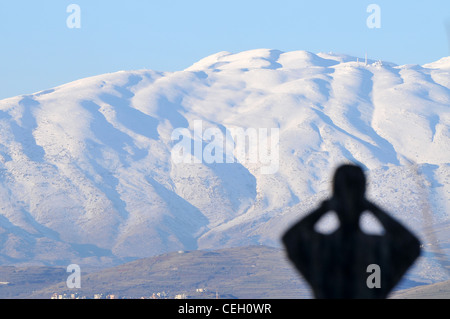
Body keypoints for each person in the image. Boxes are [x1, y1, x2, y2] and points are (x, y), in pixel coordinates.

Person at [282, 164, 421, 299]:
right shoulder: (377, 249)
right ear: (363, 195)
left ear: (335, 197)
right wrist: (372, 208)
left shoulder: (321, 248)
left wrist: (324, 208)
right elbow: (411, 245)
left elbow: (291, 239)